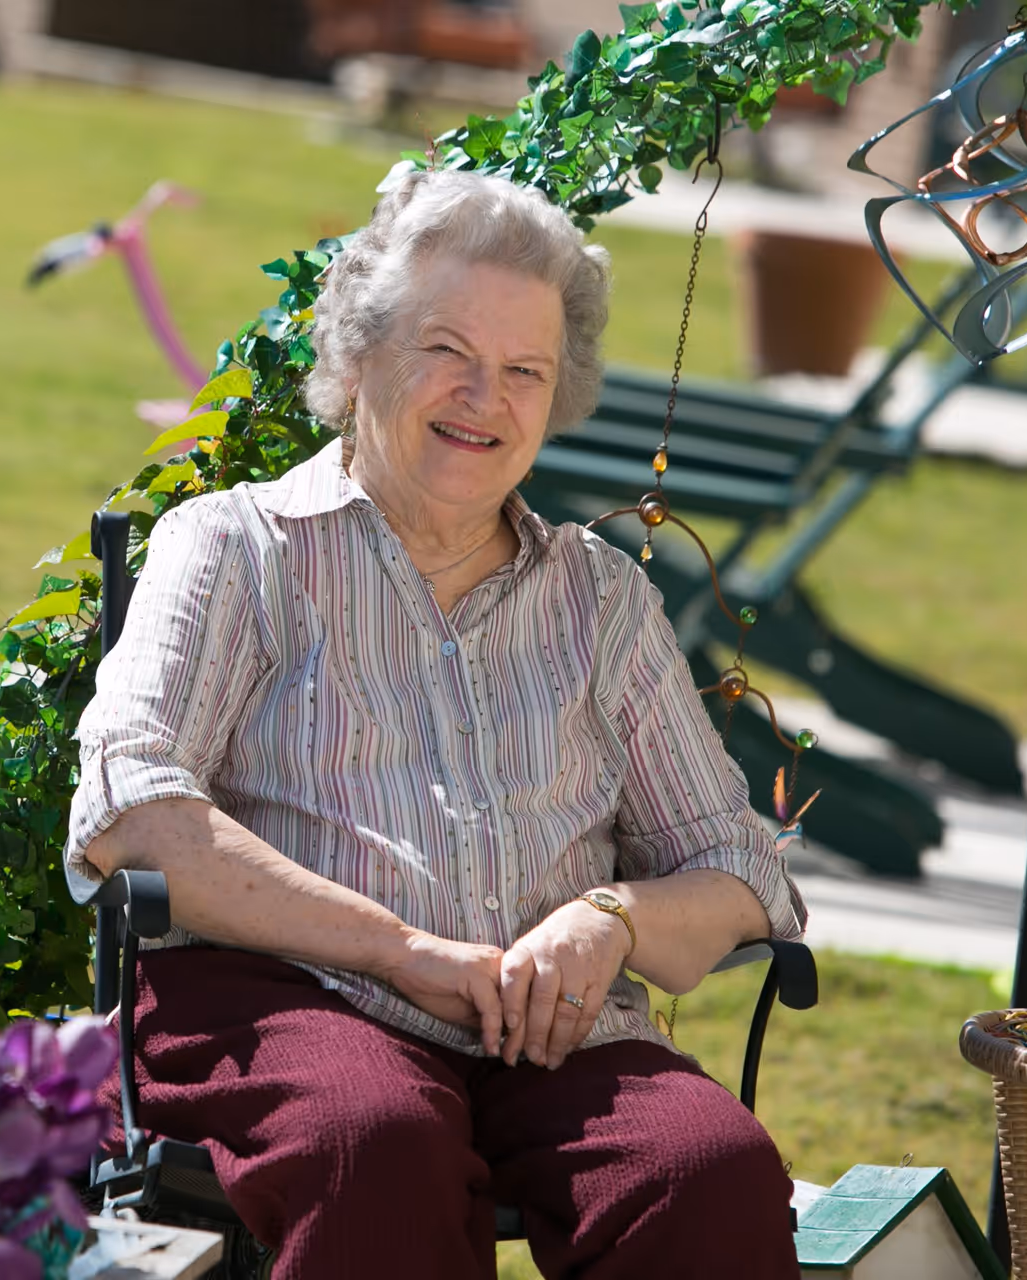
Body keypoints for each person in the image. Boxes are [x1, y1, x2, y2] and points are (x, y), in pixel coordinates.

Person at [65, 168, 807, 1279]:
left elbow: (744, 869)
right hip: (293, 1000)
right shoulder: (239, 548)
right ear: (359, 356)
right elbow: (131, 807)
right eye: (446, 351)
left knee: (706, 1167)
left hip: (550, 1027)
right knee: (378, 1142)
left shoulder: (598, 599)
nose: (484, 397)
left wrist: (607, 919)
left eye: (524, 372)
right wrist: (400, 952)